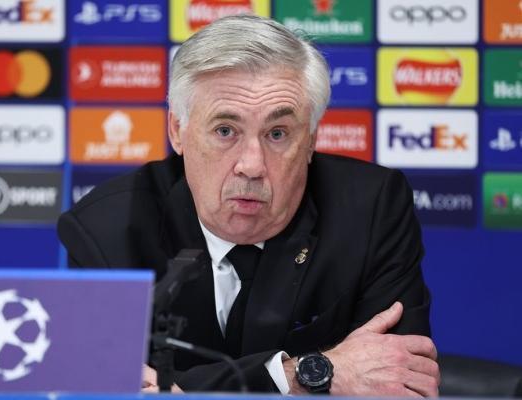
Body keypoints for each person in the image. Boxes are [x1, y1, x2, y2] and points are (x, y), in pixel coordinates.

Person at [58, 15, 439, 396]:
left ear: (310, 140)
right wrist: (305, 374)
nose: (252, 165)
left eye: (277, 133)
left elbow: (401, 380)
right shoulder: (108, 230)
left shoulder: (370, 209)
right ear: (178, 131)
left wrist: (183, 389)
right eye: (225, 131)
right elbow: (99, 388)